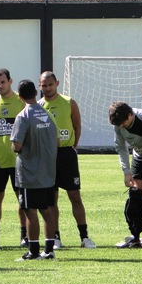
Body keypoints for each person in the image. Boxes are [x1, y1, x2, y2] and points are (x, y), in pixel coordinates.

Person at [39, 71, 95, 249]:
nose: (48, 88)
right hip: (47, 157)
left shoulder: (69, 102)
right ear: (40, 86)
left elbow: (77, 125)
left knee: (75, 196)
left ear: (57, 83)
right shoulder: (39, 106)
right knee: (51, 199)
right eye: (44, 85)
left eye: (50, 84)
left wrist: (73, 146)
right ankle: (55, 237)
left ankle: (84, 237)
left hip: (66, 155)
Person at [10, 80, 58, 260]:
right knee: (47, 210)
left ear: (20, 96)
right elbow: (57, 141)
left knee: (30, 210)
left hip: (30, 173)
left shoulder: (23, 116)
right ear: (36, 93)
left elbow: (17, 145)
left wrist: (16, 147)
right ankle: (50, 249)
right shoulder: (47, 114)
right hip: (48, 172)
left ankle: (34, 251)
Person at [0, 68, 28, 249]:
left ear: (10, 81)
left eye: (3, 82)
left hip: (18, 159)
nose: (0, 86)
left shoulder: (21, 101)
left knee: (22, 199)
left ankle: (24, 236)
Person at [108, 102, 142, 248]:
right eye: (118, 125)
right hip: (138, 157)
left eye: (124, 123)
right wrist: (126, 172)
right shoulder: (118, 124)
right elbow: (121, 147)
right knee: (135, 196)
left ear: (131, 114)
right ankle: (135, 236)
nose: (121, 127)